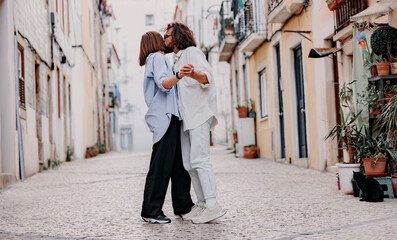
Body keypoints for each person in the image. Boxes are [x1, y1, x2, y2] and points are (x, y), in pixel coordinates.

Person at [163, 22, 227, 224]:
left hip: (199, 114)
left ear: (177, 37)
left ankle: (213, 205)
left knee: (200, 160)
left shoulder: (192, 52)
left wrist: (192, 74)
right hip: (187, 118)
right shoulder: (177, 59)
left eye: (167, 35)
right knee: (189, 163)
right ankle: (201, 204)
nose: (164, 39)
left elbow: (207, 77)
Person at [139, 31, 194, 224]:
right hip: (166, 118)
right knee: (161, 166)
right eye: (161, 37)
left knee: (178, 165)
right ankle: (151, 211)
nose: (165, 39)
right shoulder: (157, 58)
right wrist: (179, 74)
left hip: (171, 117)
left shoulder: (154, 59)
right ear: (155, 42)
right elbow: (164, 84)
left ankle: (183, 206)